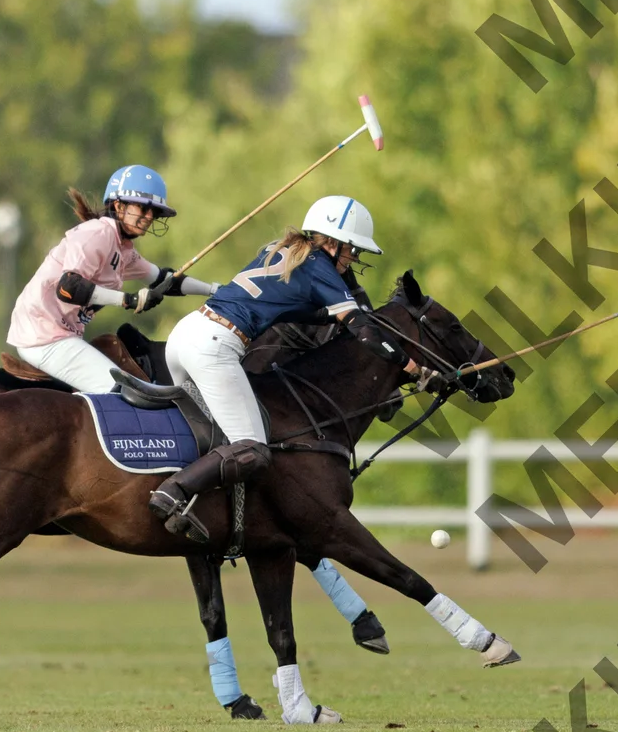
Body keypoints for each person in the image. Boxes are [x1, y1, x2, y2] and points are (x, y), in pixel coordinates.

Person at [149, 195, 443, 539]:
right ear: (332, 242)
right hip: (215, 346)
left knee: (210, 437)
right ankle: (173, 492)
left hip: (185, 333)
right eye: (352, 249)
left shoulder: (282, 249)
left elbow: (296, 309)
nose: (354, 258)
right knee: (253, 449)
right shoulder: (319, 267)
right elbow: (363, 330)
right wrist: (412, 367)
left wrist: (337, 311)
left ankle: (204, 513)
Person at [5, 165, 217, 391]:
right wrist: (129, 300)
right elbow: (68, 287)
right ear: (119, 205)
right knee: (126, 392)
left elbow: (165, 280)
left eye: (154, 212)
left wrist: (215, 289)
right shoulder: (98, 233)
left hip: (59, 335)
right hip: (43, 335)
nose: (149, 217)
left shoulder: (123, 249)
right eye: (143, 208)